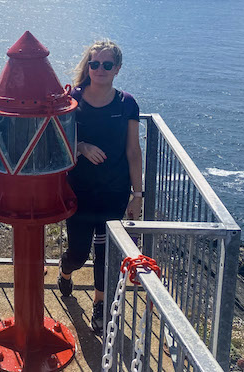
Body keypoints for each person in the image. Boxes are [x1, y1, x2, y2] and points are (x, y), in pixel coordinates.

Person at [58, 39, 143, 334]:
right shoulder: (73, 99)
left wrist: (137, 195)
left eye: (107, 64)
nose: (100, 69)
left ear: (117, 69)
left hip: (114, 192)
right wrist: (80, 146)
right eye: (95, 64)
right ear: (89, 67)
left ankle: (100, 304)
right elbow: (57, 139)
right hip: (79, 190)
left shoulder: (127, 103)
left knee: (106, 254)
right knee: (79, 253)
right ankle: (66, 271)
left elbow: (133, 151)